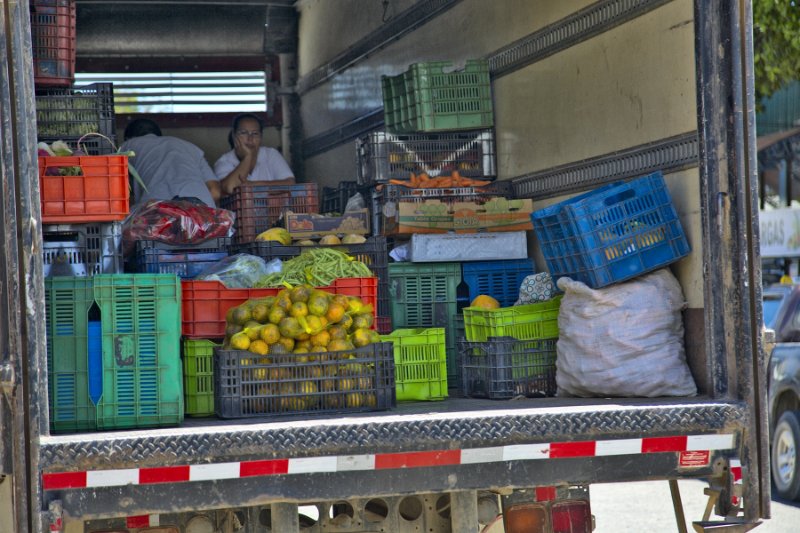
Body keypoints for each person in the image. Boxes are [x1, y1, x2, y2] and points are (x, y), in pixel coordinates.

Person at [120, 118, 220, 208]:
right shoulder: (191, 147)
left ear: (128, 138)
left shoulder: (128, 146)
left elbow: (120, 193)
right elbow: (215, 192)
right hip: (203, 211)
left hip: (157, 211)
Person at [213, 113, 294, 198]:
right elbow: (230, 188)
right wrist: (247, 157)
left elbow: (290, 184)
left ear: (261, 137)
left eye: (255, 134)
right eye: (244, 133)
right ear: (234, 135)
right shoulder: (224, 162)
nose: (250, 139)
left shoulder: (270, 154)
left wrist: (253, 185)